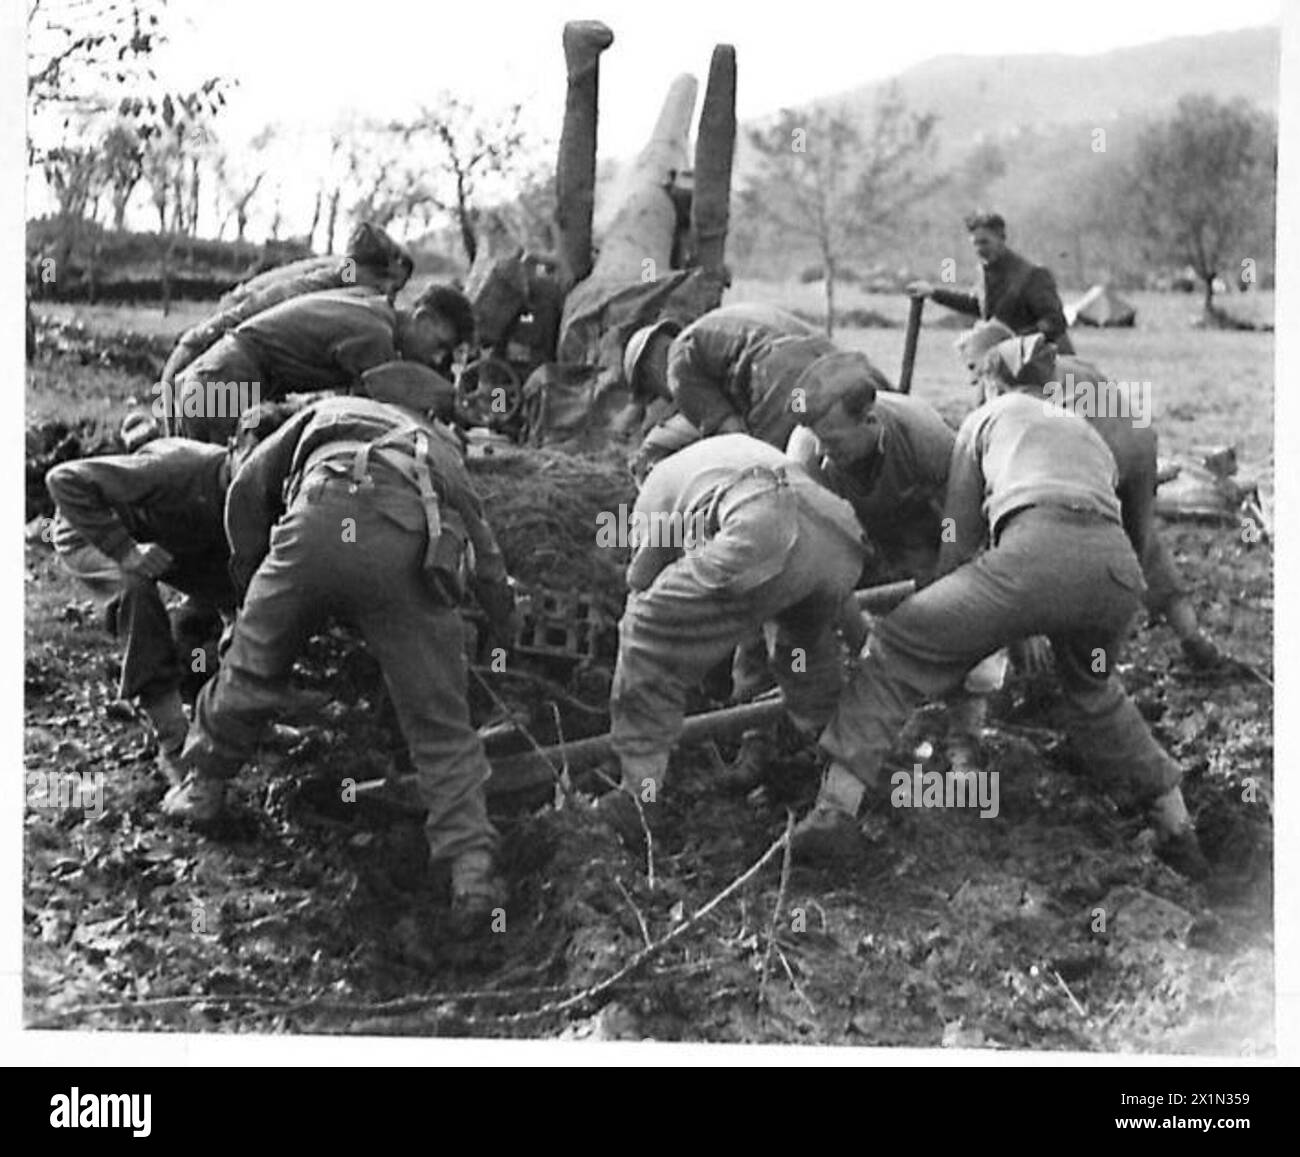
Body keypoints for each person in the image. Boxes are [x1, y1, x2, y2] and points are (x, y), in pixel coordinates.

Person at [795, 334, 1208, 879]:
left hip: (1031, 555)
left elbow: (959, 543)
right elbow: (1137, 540)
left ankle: (834, 813)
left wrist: (955, 618)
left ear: (994, 384)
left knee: (895, 648)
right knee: (1095, 694)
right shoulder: (1084, 432)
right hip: (1114, 577)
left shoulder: (984, 421)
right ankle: (1179, 830)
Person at [161, 362, 514, 921]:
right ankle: (470, 871)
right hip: (408, 550)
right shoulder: (443, 452)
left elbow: (247, 491)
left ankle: (203, 789)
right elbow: (488, 561)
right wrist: (504, 625)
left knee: (249, 668)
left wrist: (254, 586)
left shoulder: (322, 414)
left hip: (316, 525)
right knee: (440, 726)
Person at [599, 430, 867, 840]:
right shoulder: (737, 450)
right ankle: (850, 789)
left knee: (645, 629)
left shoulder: (657, 483)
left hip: (766, 530)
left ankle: (639, 797)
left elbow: (642, 579)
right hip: (837, 539)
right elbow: (806, 597)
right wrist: (864, 645)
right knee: (805, 659)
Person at [45, 412, 237, 785]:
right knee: (136, 589)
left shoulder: (255, 489)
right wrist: (125, 550)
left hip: (162, 532)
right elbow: (64, 480)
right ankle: (173, 740)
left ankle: (229, 711)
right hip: (91, 528)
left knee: (242, 596)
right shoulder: (178, 467)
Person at [167, 284, 474, 444]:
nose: (436, 358)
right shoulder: (375, 336)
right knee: (221, 493)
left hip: (217, 373)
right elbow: (378, 411)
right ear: (423, 319)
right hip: (230, 380)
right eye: (440, 346)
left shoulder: (370, 305)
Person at [623, 302, 893, 480]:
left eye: (655, 392)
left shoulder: (677, 366)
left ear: (649, 371)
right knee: (864, 453)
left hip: (783, 380)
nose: (669, 399)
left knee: (777, 480)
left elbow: (734, 436)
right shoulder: (721, 322)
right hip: (833, 362)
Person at [160, 222, 415, 390]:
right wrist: (179, 369)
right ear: (359, 268)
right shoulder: (319, 289)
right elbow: (236, 316)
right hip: (222, 345)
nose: (386, 295)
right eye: (385, 284)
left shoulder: (345, 284)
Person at [909, 211, 1074, 354]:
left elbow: (1054, 322)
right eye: (975, 243)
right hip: (1003, 363)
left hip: (1047, 365)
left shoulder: (1032, 275)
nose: (979, 249)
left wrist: (1014, 341)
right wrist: (933, 293)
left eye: (985, 242)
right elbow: (977, 305)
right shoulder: (985, 272)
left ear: (1002, 238)